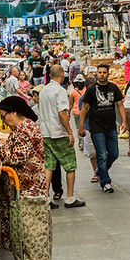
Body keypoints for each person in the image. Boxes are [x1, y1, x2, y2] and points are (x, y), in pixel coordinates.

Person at [0, 97, 50, 260]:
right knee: (21, 226)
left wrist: (1, 148)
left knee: (26, 226)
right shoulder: (20, 127)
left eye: (4, 116)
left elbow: (17, 157)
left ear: (14, 113)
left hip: (28, 187)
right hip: (23, 185)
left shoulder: (25, 129)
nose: (3, 121)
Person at [39, 65, 85, 208]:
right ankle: (70, 198)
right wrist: (70, 132)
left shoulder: (43, 91)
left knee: (49, 166)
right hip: (59, 133)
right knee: (70, 165)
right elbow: (62, 113)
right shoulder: (59, 91)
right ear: (60, 75)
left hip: (45, 133)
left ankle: (45, 198)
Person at [79, 63, 127, 193]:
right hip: (96, 128)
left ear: (108, 73)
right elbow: (84, 109)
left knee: (114, 154)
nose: (102, 74)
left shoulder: (113, 88)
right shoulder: (91, 90)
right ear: (97, 74)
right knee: (101, 155)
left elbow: (120, 105)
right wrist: (81, 126)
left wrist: (124, 121)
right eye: (99, 72)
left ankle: (99, 170)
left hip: (111, 127)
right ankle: (105, 182)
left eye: (104, 72)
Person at [32, 84, 64, 204]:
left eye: (37, 95)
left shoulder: (52, 108)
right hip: (39, 140)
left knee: (54, 165)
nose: (35, 98)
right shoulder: (34, 109)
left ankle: (57, 190)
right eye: (34, 96)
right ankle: (45, 192)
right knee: (44, 167)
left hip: (51, 136)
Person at [79, 77, 99, 183]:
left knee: (102, 152)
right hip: (88, 128)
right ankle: (96, 173)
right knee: (92, 153)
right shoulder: (83, 98)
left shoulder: (99, 97)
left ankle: (102, 171)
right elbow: (81, 113)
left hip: (100, 128)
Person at [69, 74, 86, 150]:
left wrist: (68, 112)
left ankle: (81, 143)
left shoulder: (73, 92)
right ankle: (86, 143)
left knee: (79, 128)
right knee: (86, 127)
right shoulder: (87, 90)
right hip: (85, 112)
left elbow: (70, 103)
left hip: (76, 112)